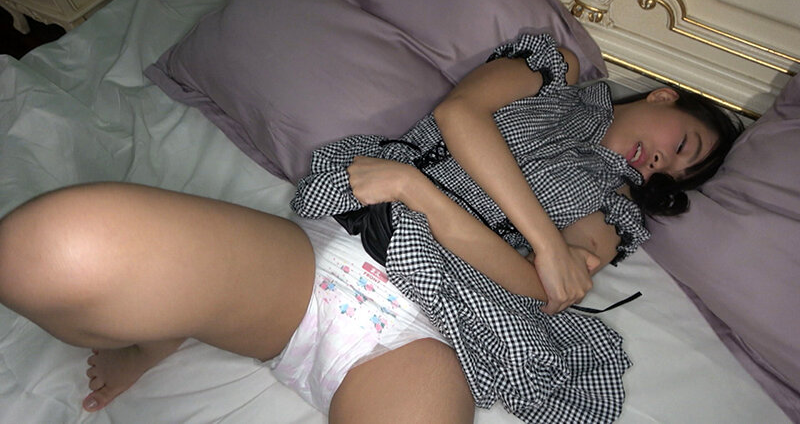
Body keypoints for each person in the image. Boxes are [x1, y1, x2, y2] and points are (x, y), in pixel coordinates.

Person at [0, 34, 741, 422]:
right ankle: (172, 327)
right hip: (327, 256)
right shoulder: (556, 72)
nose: (663, 164)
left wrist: (425, 195)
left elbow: (540, 291)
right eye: (683, 143)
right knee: (45, 252)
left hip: (435, 329)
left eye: (678, 173)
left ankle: (183, 318)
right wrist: (545, 240)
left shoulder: (612, 207)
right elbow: (460, 115)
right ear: (663, 97)